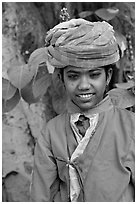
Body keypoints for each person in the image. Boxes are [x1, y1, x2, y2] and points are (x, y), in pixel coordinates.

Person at [30, 19, 135, 202]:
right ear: (61, 78)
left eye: (94, 75)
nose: (84, 85)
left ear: (108, 76)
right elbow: (41, 196)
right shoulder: (51, 133)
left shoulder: (131, 127)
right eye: (73, 76)